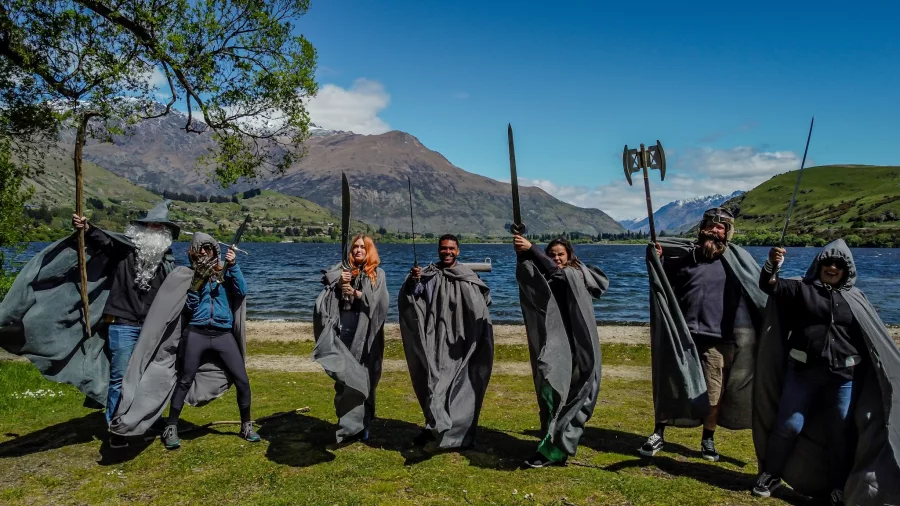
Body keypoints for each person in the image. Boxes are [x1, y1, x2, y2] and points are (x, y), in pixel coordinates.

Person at [751, 239, 900, 506]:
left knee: (839, 433)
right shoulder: (800, 288)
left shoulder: (855, 297)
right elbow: (769, 286)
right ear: (818, 265)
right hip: (803, 373)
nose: (832, 267)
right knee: (788, 426)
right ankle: (770, 475)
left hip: (843, 379)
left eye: (839, 264)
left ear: (847, 269)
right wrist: (772, 264)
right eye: (827, 262)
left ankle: (837, 488)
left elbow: (870, 339)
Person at [639, 207, 766, 462]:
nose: (714, 230)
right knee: (670, 385)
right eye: (710, 225)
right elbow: (662, 282)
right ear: (701, 228)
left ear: (728, 233)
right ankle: (658, 433)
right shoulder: (684, 258)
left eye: (720, 227)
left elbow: (761, 288)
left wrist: (774, 268)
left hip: (719, 340)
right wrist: (658, 257)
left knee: (713, 394)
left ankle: (708, 439)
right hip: (681, 337)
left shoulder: (738, 264)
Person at [513, 235, 609, 468]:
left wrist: (533, 249)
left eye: (560, 254)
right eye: (552, 254)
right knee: (550, 390)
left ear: (569, 255)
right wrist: (524, 257)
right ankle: (550, 444)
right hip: (556, 344)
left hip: (577, 348)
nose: (556, 258)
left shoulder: (576, 275)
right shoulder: (549, 274)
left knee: (569, 395)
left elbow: (560, 276)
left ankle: (555, 451)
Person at [160, 232, 259, 449]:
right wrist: (196, 284)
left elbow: (242, 291)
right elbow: (188, 308)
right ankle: (171, 426)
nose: (204, 252)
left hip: (223, 334)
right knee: (185, 379)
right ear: (193, 252)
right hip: (197, 332)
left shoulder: (224, 270)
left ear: (215, 249)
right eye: (200, 249)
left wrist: (232, 266)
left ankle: (246, 425)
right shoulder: (188, 274)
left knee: (242, 380)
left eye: (208, 248)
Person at [398, 234, 494, 450]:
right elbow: (415, 296)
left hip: (461, 340)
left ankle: (460, 433)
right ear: (438, 249)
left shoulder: (467, 274)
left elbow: (485, 300)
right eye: (444, 248)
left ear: (458, 251)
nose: (447, 252)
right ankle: (434, 426)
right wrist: (414, 281)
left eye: (451, 249)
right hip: (435, 337)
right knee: (435, 383)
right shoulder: (428, 274)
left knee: (461, 385)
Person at [313, 234, 388, 444]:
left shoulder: (377, 274)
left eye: (363, 247)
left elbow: (381, 303)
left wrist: (356, 293)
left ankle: (364, 422)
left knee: (366, 376)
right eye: (355, 247)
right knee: (345, 375)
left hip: (366, 332)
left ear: (370, 250)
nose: (358, 250)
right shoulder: (343, 270)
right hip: (344, 329)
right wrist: (339, 283)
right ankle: (347, 423)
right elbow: (327, 289)